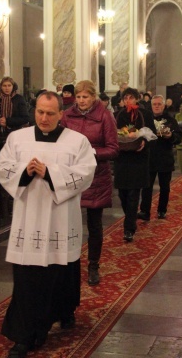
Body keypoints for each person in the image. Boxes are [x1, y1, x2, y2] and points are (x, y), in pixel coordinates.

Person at [0, 91, 96, 357]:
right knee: (29, 279)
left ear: (61, 113)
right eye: (40, 111)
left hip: (61, 217)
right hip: (29, 219)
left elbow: (86, 173)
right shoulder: (17, 138)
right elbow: (2, 167)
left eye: (51, 113)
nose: (44, 117)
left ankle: (65, 309)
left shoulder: (77, 141)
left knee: (62, 269)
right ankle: (26, 335)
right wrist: (24, 172)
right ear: (34, 111)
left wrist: (50, 173)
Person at [61, 80, 119, 286]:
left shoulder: (105, 116)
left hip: (96, 177)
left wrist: (91, 153)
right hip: (72, 175)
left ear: (93, 97)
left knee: (94, 225)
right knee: (67, 223)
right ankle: (67, 263)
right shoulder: (67, 115)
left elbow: (113, 148)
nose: (81, 101)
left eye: (85, 97)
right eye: (78, 97)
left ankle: (93, 265)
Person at [114, 87, 156, 242]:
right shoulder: (117, 114)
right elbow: (114, 132)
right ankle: (129, 218)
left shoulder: (145, 114)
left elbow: (152, 133)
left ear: (137, 98)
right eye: (125, 98)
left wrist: (143, 140)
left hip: (138, 158)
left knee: (133, 194)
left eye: (131, 97)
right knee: (122, 194)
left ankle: (129, 228)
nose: (128, 100)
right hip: (122, 159)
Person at [138, 95, 181, 220]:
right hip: (149, 157)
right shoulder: (146, 119)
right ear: (151, 106)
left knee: (165, 187)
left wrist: (170, 136)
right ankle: (144, 211)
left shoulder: (171, 120)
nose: (156, 106)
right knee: (146, 186)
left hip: (165, 157)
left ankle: (162, 210)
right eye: (154, 104)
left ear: (164, 106)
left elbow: (178, 138)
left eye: (159, 104)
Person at [0, 76, 30, 141]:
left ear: (13, 86)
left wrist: (7, 121)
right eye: (4, 86)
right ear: (1, 87)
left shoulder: (19, 98)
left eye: (9, 85)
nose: (7, 88)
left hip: (15, 132)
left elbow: (25, 118)